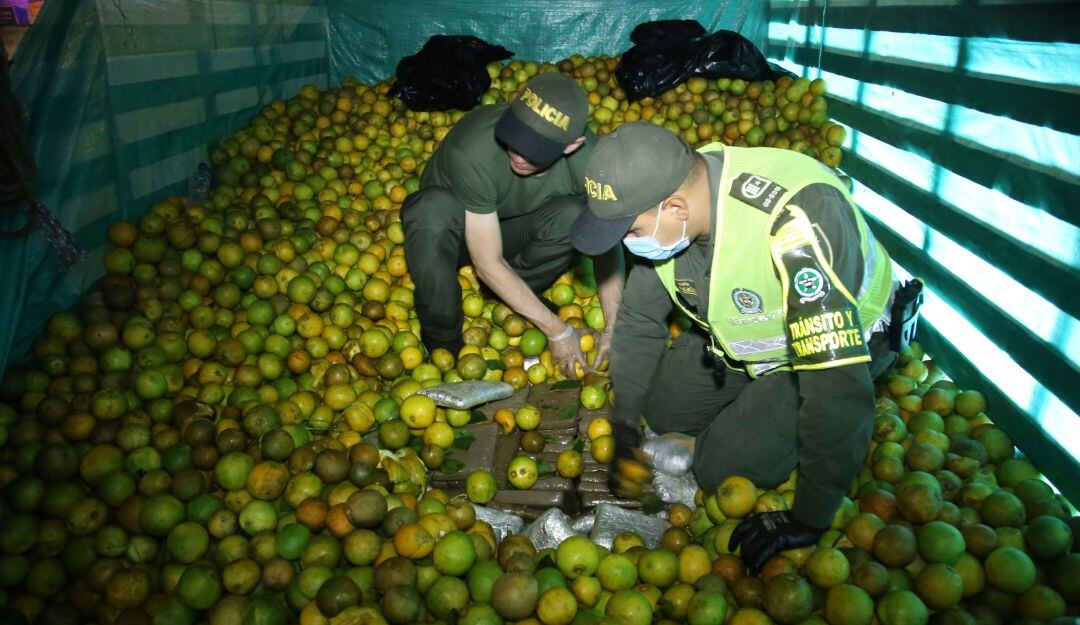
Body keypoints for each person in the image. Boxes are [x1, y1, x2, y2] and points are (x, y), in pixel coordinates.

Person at [570, 122, 897, 571]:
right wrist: (625, 422)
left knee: (721, 468)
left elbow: (837, 392)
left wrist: (810, 517)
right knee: (661, 409)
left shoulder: (798, 227)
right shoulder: (680, 195)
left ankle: (748, 427)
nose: (628, 245)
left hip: (833, 348)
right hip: (746, 341)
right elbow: (641, 318)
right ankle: (745, 406)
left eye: (631, 231)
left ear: (676, 208)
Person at [403, 73, 623, 373]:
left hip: (512, 229)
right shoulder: (473, 151)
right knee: (430, 211)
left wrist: (614, 323)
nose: (518, 155)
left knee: (576, 215)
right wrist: (557, 330)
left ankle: (516, 296)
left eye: (535, 150)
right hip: (455, 233)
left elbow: (606, 239)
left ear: (572, 145)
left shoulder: (590, 163)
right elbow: (487, 263)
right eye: (515, 138)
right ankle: (442, 335)